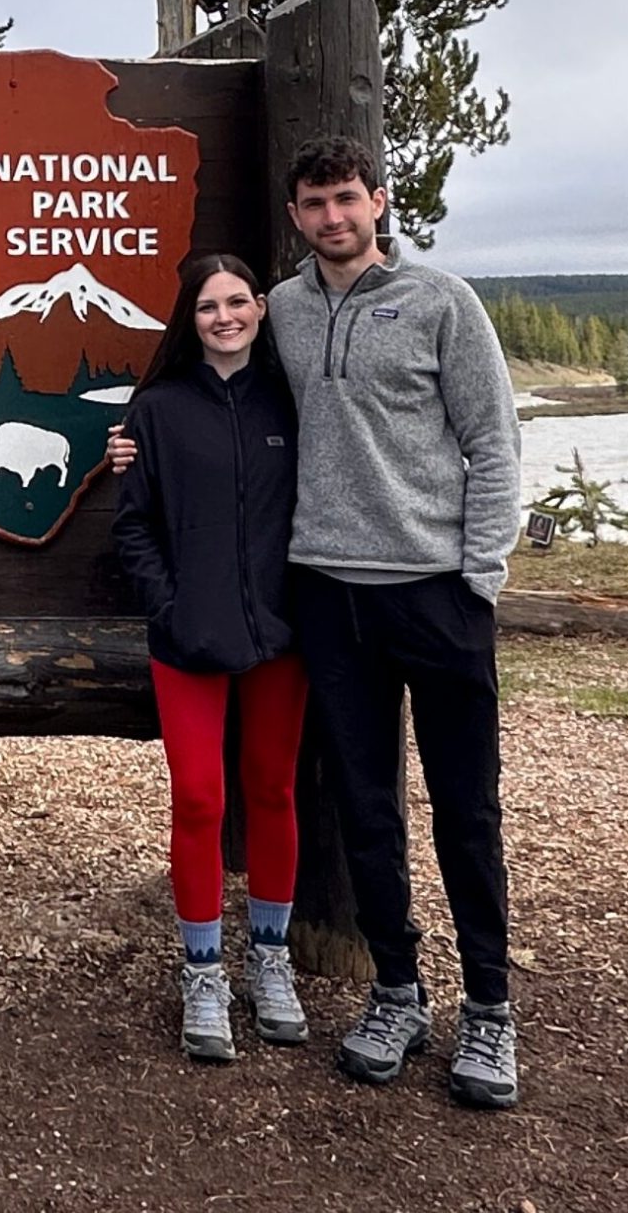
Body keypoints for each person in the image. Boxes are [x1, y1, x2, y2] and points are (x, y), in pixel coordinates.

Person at [108, 136, 522, 1108]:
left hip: (435, 592)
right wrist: (134, 447)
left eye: (348, 199)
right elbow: (204, 409)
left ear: (379, 201)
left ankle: (493, 1013)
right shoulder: (284, 312)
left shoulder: (442, 305)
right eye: (316, 204)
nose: (334, 217)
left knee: (467, 812)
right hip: (328, 599)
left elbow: (494, 443)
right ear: (294, 217)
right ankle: (396, 991)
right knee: (365, 808)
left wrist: (481, 576)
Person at [110, 254, 310, 1063]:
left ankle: (270, 960)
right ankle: (201, 969)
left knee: (272, 789)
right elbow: (133, 527)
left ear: (261, 309)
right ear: (188, 321)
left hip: (280, 636)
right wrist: (170, 604)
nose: (223, 317)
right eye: (206, 307)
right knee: (198, 798)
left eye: (236, 302)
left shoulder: (293, 401)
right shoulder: (156, 411)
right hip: (186, 637)